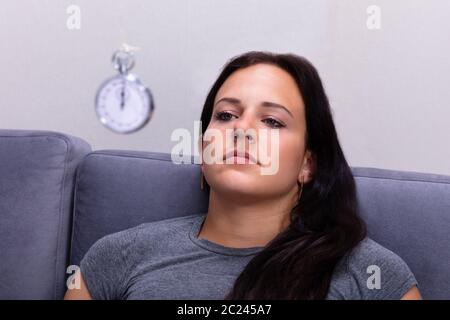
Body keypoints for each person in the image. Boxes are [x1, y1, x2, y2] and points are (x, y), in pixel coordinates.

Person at [64, 51, 421, 300]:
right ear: (203, 150)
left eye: (272, 121)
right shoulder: (116, 256)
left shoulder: (372, 272)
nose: (242, 130)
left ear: (307, 164)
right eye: (226, 116)